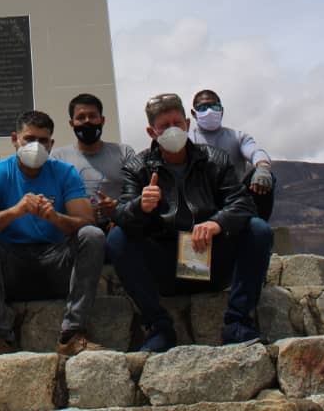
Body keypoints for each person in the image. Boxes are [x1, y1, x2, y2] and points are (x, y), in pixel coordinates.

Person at [108, 93, 274, 352]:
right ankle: (158, 327)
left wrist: (217, 223)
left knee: (258, 230)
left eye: (177, 122)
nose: (173, 129)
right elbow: (120, 216)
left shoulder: (215, 160)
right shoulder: (137, 167)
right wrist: (140, 207)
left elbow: (243, 204)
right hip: (166, 265)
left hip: (211, 258)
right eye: (164, 126)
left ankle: (237, 323)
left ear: (187, 123)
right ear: (152, 132)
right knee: (117, 238)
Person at [0, 109, 106, 357]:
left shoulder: (65, 172)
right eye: (29, 139)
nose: (36, 146)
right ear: (15, 140)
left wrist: (55, 217)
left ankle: (72, 334)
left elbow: (88, 220)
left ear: (51, 144)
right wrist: (16, 211)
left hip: (56, 264)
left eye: (43, 140)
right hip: (11, 268)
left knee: (92, 236)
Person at [189, 88, 275, 220]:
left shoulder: (238, 137)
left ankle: (256, 221)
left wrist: (263, 167)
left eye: (214, 106)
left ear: (221, 111)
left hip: (234, 197)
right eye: (203, 108)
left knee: (266, 177)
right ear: (194, 113)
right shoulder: (187, 140)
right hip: (200, 200)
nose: (210, 111)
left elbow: (255, 152)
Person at [51, 92, 135, 228]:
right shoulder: (57, 158)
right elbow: (53, 198)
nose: (87, 121)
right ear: (71, 123)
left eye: (92, 116)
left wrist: (117, 211)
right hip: (77, 230)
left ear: (102, 120)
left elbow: (136, 192)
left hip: (118, 226)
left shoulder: (124, 152)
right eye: (81, 117)